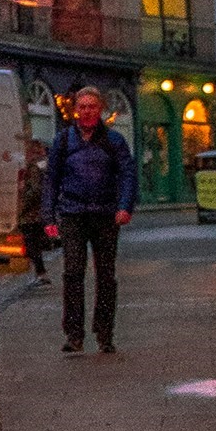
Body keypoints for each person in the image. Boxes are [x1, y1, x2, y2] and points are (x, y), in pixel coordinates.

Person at [43, 86, 136, 354]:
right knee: (73, 274)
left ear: (100, 110)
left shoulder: (114, 141)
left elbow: (127, 175)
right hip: (72, 214)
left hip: (106, 215)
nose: (87, 111)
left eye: (92, 107)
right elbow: (51, 180)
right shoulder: (63, 141)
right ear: (76, 110)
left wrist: (124, 206)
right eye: (82, 107)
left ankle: (104, 333)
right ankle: (74, 335)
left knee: (106, 275)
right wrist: (48, 216)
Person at [18, 135, 51, 281]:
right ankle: (40, 272)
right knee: (35, 242)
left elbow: (36, 189)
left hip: (32, 213)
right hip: (41, 210)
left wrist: (24, 204)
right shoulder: (44, 163)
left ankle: (41, 273)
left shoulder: (34, 165)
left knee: (32, 243)